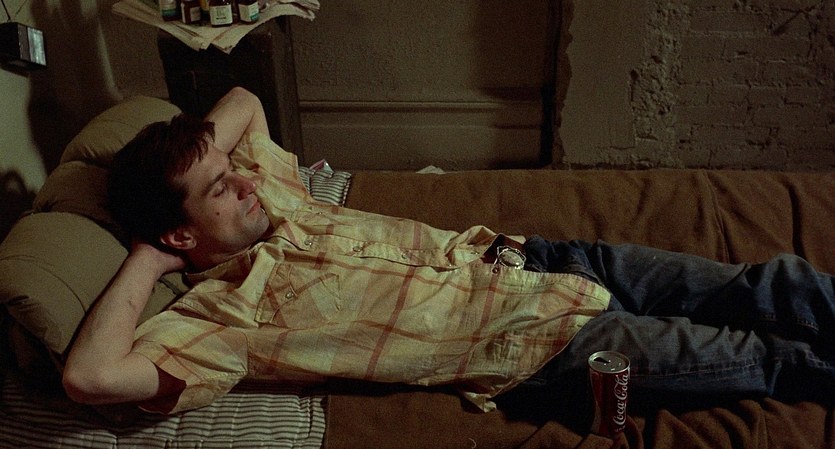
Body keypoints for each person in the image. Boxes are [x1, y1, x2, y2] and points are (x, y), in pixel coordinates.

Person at [62, 87, 835, 421]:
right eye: (218, 188)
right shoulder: (221, 320)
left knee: (769, 284)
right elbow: (91, 376)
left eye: (229, 168)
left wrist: (202, 162)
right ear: (179, 235)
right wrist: (148, 260)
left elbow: (243, 103)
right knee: (767, 358)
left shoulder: (274, 194)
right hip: (543, 346)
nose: (242, 180)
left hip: (546, 258)